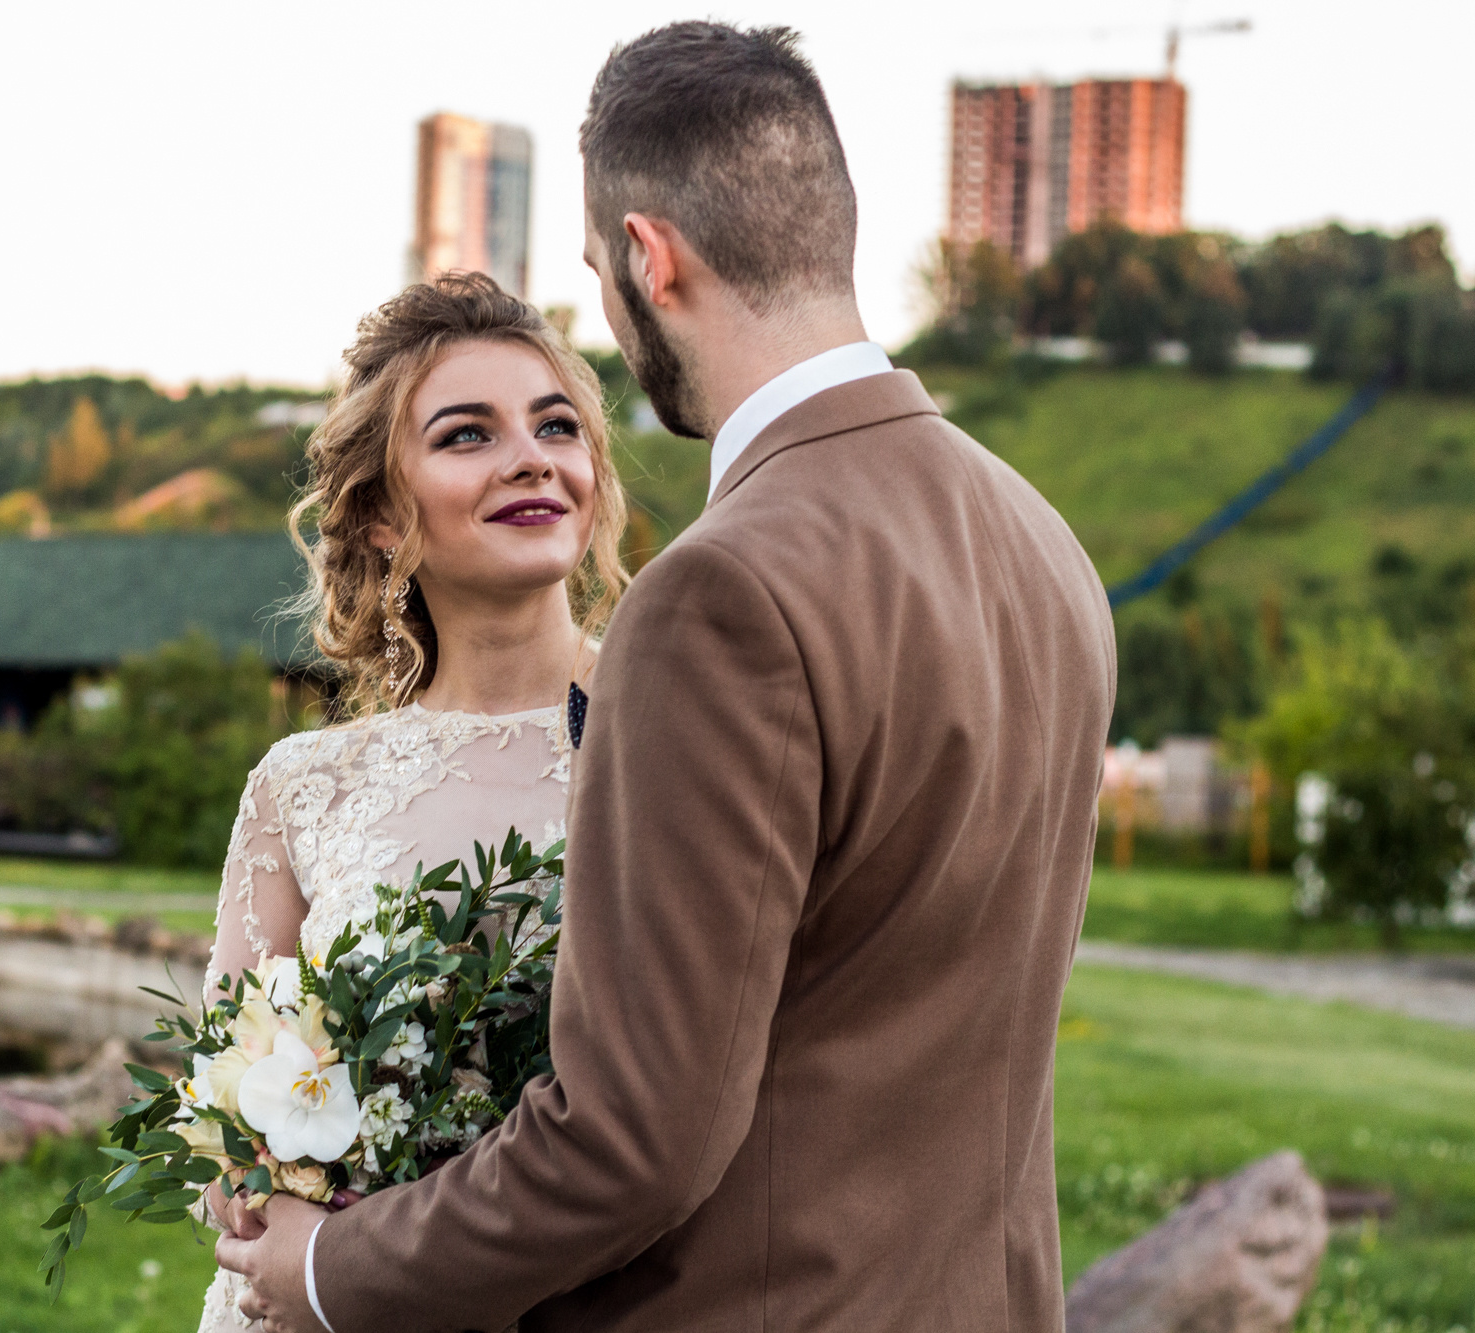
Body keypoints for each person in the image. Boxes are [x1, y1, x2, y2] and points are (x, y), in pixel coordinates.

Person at [219, 21, 1116, 1333]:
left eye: (598, 274)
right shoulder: (1046, 547)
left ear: (649, 256)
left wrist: (323, 1270)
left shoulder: (718, 596)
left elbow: (639, 1137)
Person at [193, 272, 631, 1332]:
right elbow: (227, 1120)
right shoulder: (301, 789)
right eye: (466, 435)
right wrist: (280, 1207)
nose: (530, 455)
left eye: (555, 424)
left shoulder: (672, 733)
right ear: (383, 515)